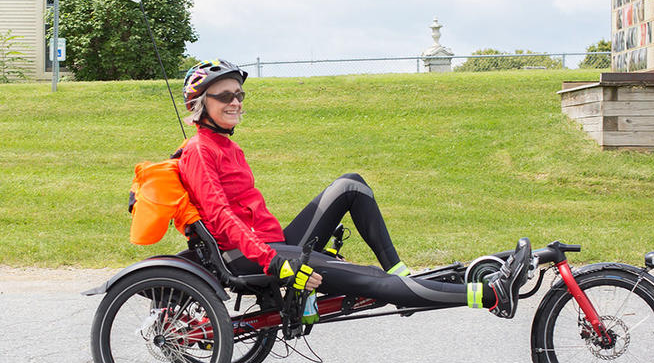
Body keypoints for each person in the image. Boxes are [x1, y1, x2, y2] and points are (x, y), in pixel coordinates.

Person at [177, 59, 529, 318]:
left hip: (271, 243)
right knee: (371, 282)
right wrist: (276, 262)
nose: (235, 101)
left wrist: (275, 251)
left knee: (351, 185)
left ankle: (401, 274)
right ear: (199, 104)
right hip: (252, 256)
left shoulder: (226, 145)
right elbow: (222, 217)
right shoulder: (199, 150)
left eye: (239, 93)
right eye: (224, 96)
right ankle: (489, 295)